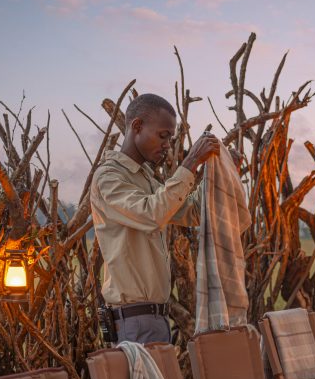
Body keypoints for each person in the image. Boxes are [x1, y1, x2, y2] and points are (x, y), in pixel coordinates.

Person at [91, 93, 221, 344]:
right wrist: (191, 161)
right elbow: (153, 214)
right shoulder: (108, 178)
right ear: (137, 126)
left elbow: (189, 212)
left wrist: (216, 177)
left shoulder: (147, 179)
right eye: (163, 136)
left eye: (170, 138)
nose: (167, 145)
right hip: (133, 321)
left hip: (154, 318)